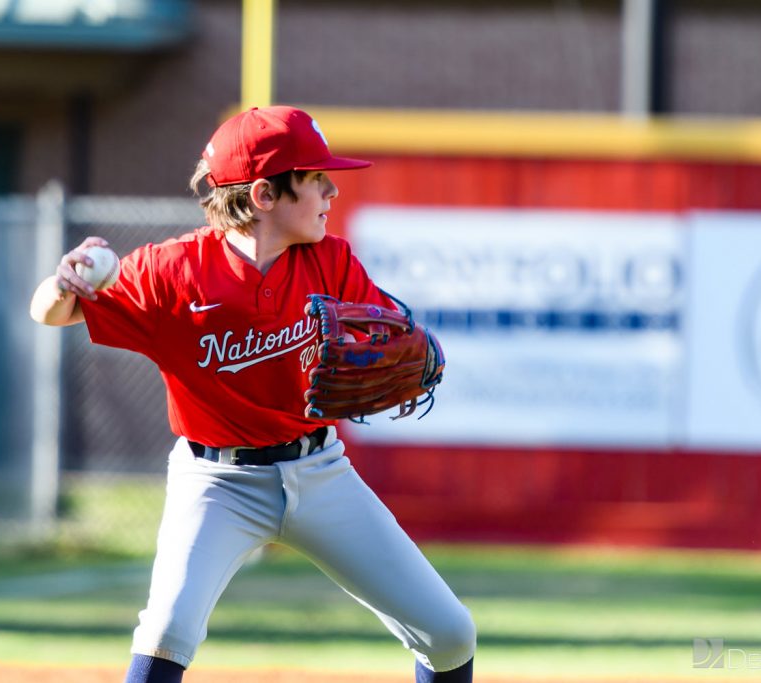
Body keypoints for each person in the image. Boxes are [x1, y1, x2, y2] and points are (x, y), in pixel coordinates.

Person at [29, 106, 476, 683]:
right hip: (216, 483)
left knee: (449, 634)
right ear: (265, 194)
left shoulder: (330, 260)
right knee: (166, 632)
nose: (332, 190)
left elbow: (388, 334)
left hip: (319, 472)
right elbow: (49, 313)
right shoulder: (174, 271)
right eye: (316, 179)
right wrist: (62, 281)